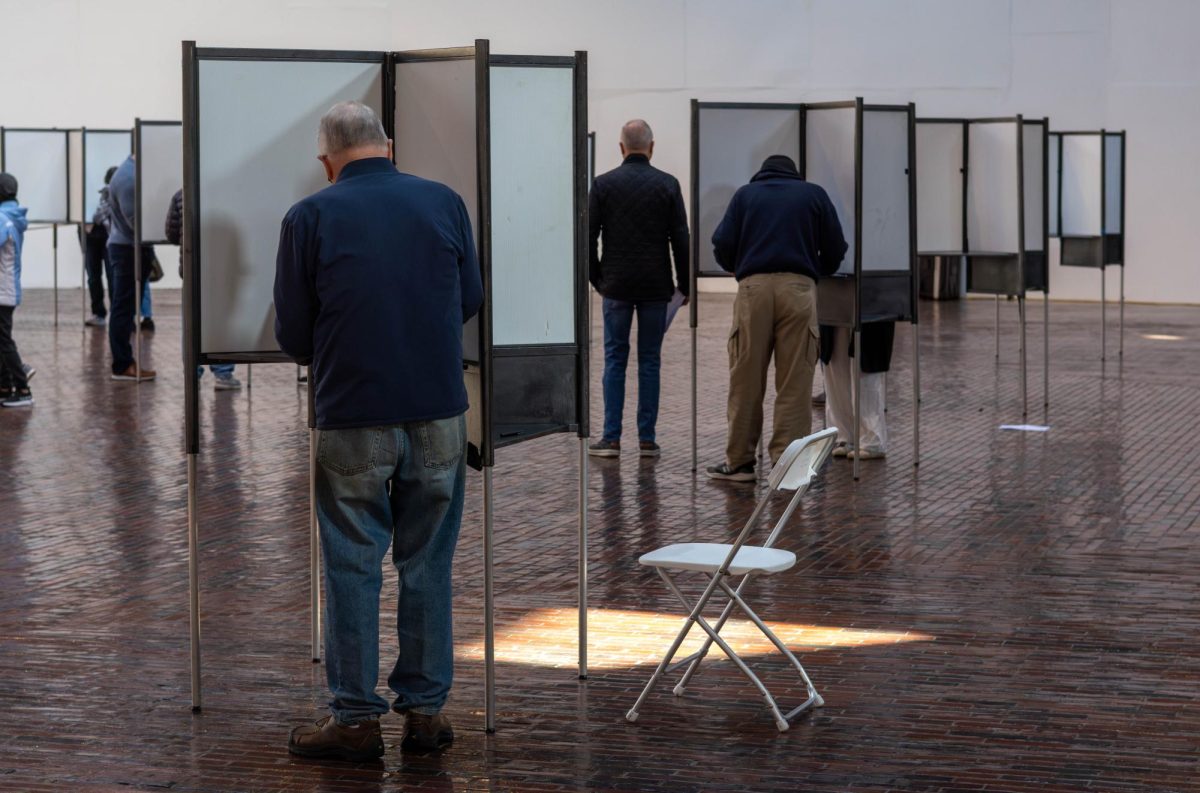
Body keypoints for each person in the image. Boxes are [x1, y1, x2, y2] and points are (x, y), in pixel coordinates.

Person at [275, 101, 482, 761]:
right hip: (440, 413)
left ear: (326, 159)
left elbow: (293, 332)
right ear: (387, 146)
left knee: (352, 565)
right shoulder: (445, 202)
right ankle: (425, 713)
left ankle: (356, 719)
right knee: (429, 565)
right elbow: (470, 298)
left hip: (352, 414)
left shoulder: (309, 216)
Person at [705, 155, 846, 482]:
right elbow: (837, 247)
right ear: (795, 173)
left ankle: (740, 463)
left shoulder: (745, 195)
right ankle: (789, 468)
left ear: (762, 172)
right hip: (799, 288)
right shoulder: (814, 195)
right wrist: (815, 272)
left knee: (745, 378)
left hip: (753, 288)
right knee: (795, 383)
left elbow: (721, 243)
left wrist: (737, 267)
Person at [587, 119, 689, 459]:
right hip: (656, 287)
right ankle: (647, 439)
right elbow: (681, 239)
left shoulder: (603, 185)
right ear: (652, 147)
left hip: (615, 286)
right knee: (650, 362)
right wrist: (684, 284)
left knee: (614, 360)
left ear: (620, 148)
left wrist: (597, 278)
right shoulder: (668, 185)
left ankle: (611, 438)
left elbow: (588, 238)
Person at [164, 188, 240, 389]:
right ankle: (223, 374)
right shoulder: (224, 194)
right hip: (221, 271)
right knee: (221, 323)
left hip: (191, 270)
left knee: (190, 324)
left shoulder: (181, 195)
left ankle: (192, 373)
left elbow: (171, 233)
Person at [105, 154, 155, 380]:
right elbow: (137, 223)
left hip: (129, 248)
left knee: (124, 307)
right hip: (127, 250)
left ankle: (124, 363)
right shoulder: (128, 178)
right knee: (123, 308)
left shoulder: (131, 173)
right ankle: (123, 365)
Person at [820, 322, 894, 460]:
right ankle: (844, 434)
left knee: (864, 363)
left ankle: (872, 438)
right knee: (835, 356)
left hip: (869, 306)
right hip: (833, 305)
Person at [0, 173, 35, 407]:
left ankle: (22, 386)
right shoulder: (12, 215)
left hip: (2, 290)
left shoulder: (2, 218)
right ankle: (5, 385)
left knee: (3, 340)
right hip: (7, 288)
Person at [82, 166, 117, 327]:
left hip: (103, 238)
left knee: (100, 277)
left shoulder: (111, 194)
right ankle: (105, 313)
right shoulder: (104, 194)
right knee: (99, 277)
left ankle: (103, 313)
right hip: (96, 237)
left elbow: (97, 216)